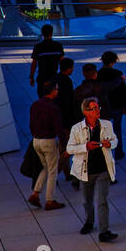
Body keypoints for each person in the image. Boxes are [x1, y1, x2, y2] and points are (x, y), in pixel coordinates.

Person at [67, 98, 118, 242]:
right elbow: (69, 148)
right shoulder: (77, 128)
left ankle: (104, 231)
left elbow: (115, 140)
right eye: (94, 108)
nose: (97, 111)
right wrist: (85, 147)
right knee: (86, 200)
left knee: (102, 200)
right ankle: (89, 222)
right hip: (86, 171)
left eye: (98, 108)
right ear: (85, 112)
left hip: (103, 170)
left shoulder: (107, 124)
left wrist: (110, 144)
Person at [27, 81, 66, 210]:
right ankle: (50, 200)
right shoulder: (53, 108)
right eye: (57, 89)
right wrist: (64, 144)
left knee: (45, 167)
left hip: (36, 140)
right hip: (48, 140)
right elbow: (58, 128)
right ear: (53, 91)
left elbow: (31, 123)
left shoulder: (35, 105)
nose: (58, 91)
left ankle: (36, 193)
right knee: (53, 170)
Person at [96, 51, 126, 159]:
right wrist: (125, 105)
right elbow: (123, 92)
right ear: (114, 61)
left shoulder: (98, 74)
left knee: (103, 130)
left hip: (103, 106)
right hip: (117, 105)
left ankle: (104, 151)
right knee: (117, 129)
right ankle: (119, 151)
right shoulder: (118, 74)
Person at [54, 58, 77, 188]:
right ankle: (55, 172)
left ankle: (67, 173)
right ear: (68, 68)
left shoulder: (56, 79)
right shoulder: (66, 82)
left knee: (63, 146)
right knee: (67, 148)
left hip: (59, 118)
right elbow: (68, 102)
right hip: (66, 120)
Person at [29, 24, 65, 96]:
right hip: (54, 77)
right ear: (51, 33)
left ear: (42, 33)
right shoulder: (58, 46)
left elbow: (34, 63)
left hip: (42, 78)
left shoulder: (38, 47)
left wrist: (31, 76)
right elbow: (62, 62)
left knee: (43, 99)